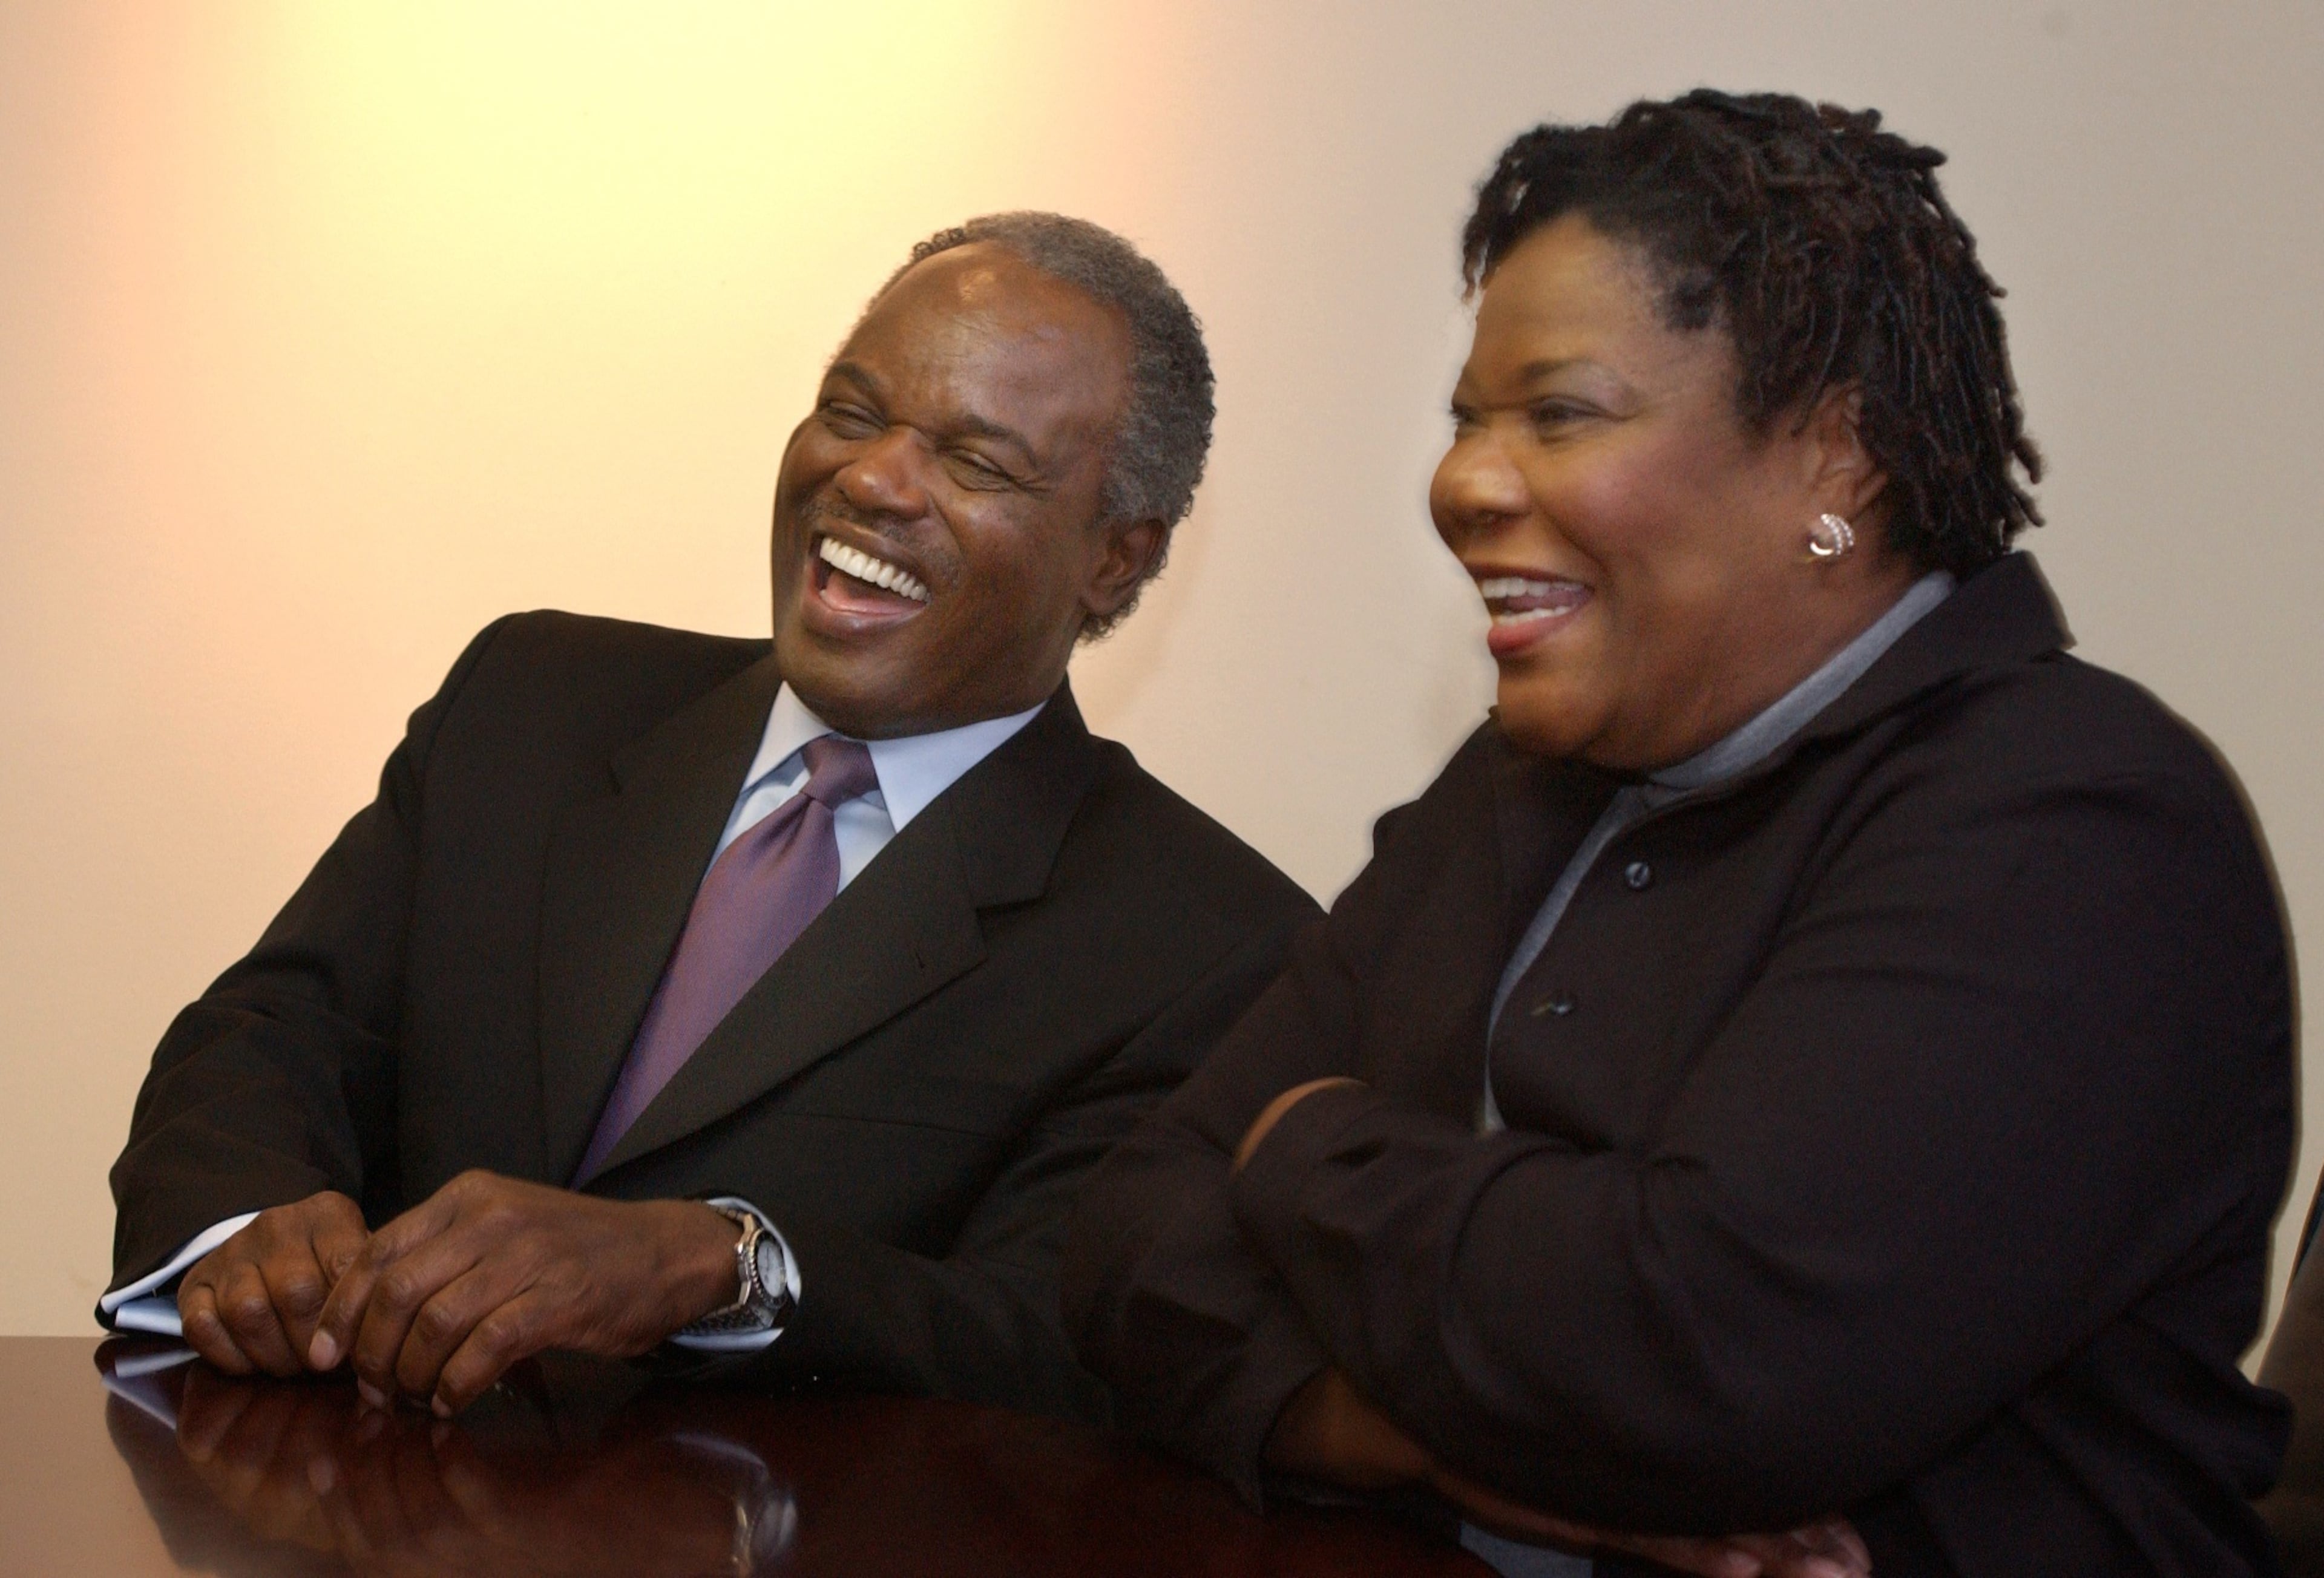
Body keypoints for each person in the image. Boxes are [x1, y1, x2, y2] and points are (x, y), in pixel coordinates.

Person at [1062, 92, 2295, 1576]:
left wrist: (1297, 1140)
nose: (1463, 483)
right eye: (1468, 420)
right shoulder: (1520, 784)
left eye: (1558, 414)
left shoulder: (2077, 818)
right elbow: (1129, 1239)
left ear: (1838, 463)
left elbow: (1696, 1361)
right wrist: (1411, 1435)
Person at [101, 211, 1320, 1426]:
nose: (874, 476)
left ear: (1117, 557)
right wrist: (247, 1223)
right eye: (851, 411)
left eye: (975, 462)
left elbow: (1054, 1341)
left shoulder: (1213, 946)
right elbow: (272, 1033)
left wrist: (723, 1262)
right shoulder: (531, 704)